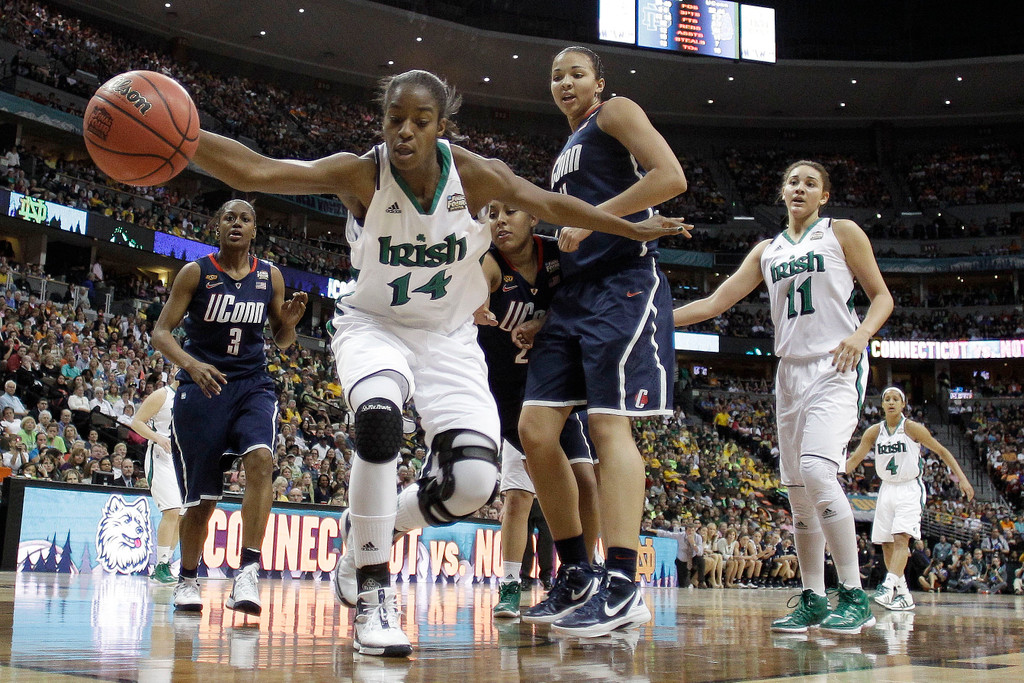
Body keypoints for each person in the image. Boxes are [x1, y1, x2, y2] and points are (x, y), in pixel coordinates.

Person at [187, 69, 685, 657]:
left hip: (448, 339)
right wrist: (180, 140)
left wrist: (626, 226)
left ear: (441, 127)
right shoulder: (360, 172)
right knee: (377, 421)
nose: (404, 132)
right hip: (375, 325)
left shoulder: (475, 176)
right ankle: (374, 593)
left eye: (419, 122)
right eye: (394, 120)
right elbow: (258, 170)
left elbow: (551, 203)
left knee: (475, 482)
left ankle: (370, 532)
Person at [674, 160, 894, 635]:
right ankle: (813, 598)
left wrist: (861, 336)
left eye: (810, 183)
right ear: (782, 192)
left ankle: (853, 595)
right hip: (788, 373)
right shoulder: (766, 251)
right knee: (796, 494)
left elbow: (882, 297)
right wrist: (653, 320)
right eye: (792, 181)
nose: (800, 187)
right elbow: (715, 304)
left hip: (836, 364)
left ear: (823, 196)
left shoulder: (842, 232)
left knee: (818, 471)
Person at [517, 46, 688, 638]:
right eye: (557, 75)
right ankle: (577, 573)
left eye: (576, 74)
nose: (565, 82)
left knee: (611, 426)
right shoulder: (567, 149)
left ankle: (622, 581)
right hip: (573, 299)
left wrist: (592, 217)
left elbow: (671, 178)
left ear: (599, 81)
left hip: (623, 287)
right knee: (536, 431)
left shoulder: (614, 113)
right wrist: (542, 313)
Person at [151, 199, 308, 617]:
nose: (236, 223)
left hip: (252, 385)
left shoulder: (269, 275)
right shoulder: (195, 273)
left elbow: (282, 340)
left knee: (261, 460)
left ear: (255, 230)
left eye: (245, 218)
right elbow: (161, 333)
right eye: (229, 217)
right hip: (201, 387)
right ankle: (188, 578)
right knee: (203, 499)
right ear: (217, 227)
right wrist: (190, 364)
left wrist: (288, 323)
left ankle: (248, 571)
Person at [475, 201, 600, 620]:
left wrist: (544, 322)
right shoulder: (489, 265)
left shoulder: (557, 255)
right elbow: (470, 290)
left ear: (534, 218)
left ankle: (585, 574)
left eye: (509, 211)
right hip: (507, 394)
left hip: (554, 387)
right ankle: (510, 585)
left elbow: (581, 299)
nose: (500, 220)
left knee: (586, 478)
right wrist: (469, 305)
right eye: (492, 214)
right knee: (517, 497)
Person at [846, 386, 974, 610]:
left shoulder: (912, 428)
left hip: (909, 487)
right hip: (886, 488)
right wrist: (828, 470)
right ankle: (903, 594)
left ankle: (887, 587)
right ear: (882, 405)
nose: (891, 402)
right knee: (886, 543)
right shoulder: (874, 432)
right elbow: (853, 460)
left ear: (903, 404)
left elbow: (942, 451)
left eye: (896, 399)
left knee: (900, 539)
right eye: (887, 399)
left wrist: (962, 478)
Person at [131, 374, 183, 585]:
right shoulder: (162, 394)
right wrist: (158, 438)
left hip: (180, 459)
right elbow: (136, 422)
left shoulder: (189, 397)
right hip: (159, 455)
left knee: (181, 515)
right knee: (171, 510)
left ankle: (166, 564)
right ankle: (160, 564)